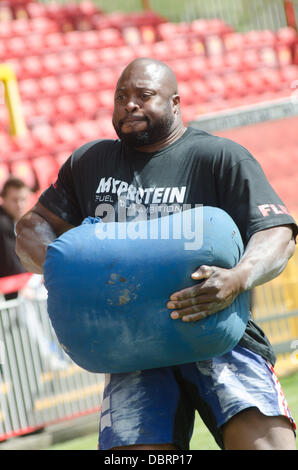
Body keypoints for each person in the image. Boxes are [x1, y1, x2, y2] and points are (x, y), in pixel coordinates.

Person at [15, 58, 297, 450]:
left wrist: (238, 277)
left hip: (218, 334)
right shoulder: (90, 162)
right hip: (133, 348)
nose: (130, 104)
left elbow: (278, 232)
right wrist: (65, 272)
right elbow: (31, 227)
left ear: (176, 103)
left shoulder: (218, 156)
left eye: (144, 96)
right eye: (121, 97)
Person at [0, 176, 30, 300]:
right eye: (15, 200)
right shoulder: (2, 223)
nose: (19, 205)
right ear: (3, 199)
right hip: (10, 292)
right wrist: (23, 284)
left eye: (23, 199)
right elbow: (9, 262)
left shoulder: (9, 221)